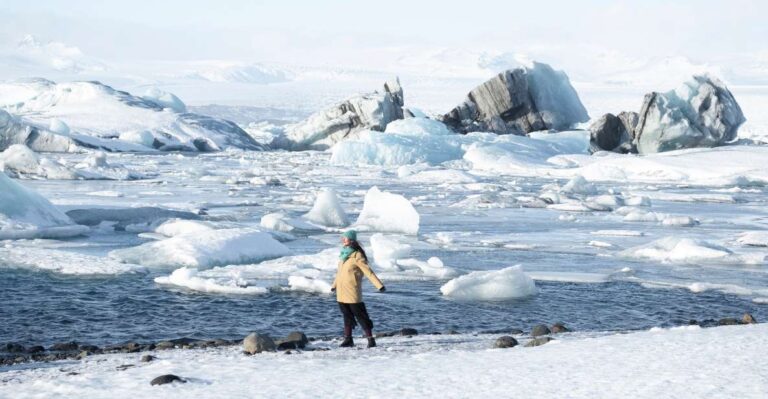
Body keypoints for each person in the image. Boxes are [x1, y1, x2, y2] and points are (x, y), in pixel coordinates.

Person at [331, 230, 385, 348]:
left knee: (361, 316)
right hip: (341, 291)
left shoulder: (357, 256)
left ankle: (371, 340)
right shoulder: (343, 255)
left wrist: (379, 285)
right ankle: (348, 339)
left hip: (352, 292)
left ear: (351, 240)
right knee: (346, 316)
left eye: (345, 238)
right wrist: (333, 286)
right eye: (342, 238)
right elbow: (339, 273)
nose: (342, 240)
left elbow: (368, 271)